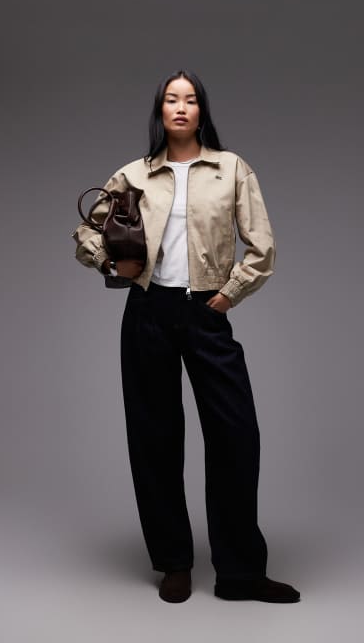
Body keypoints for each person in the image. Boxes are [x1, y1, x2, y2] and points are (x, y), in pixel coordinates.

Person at [71, 69, 300, 604]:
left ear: (202, 111)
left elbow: (262, 246)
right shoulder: (133, 174)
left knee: (236, 436)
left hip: (206, 312)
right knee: (154, 438)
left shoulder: (231, 169)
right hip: (148, 311)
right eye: (171, 99)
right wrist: (110, 262)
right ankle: (173, 562)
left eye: (190, 99)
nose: (180, 107)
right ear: (160, 111)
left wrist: (229, 293)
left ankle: (240, 573)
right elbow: (87, 231)